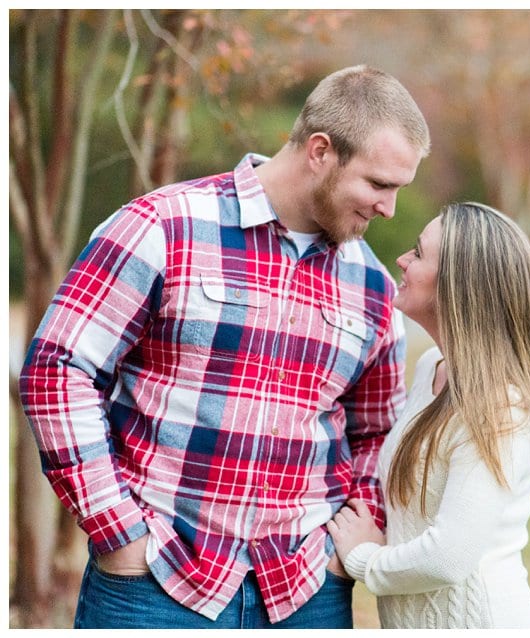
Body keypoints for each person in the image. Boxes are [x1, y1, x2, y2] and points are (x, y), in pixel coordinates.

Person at [17, 64, 430, 629]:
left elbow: (377, 431)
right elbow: (56, 368)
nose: (390, 208)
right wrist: (116, 529)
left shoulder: (373, 284)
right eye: (379, 184)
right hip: (154, 584)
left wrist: (342, 550)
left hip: (306, 593)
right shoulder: (162, 226)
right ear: (320, 151)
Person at [327, 202, 530, 628]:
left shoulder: (500, 407)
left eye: (417, 253)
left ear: (459, 284)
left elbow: (449, 556)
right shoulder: (432, 368)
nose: (402, 259)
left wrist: (363, 558)